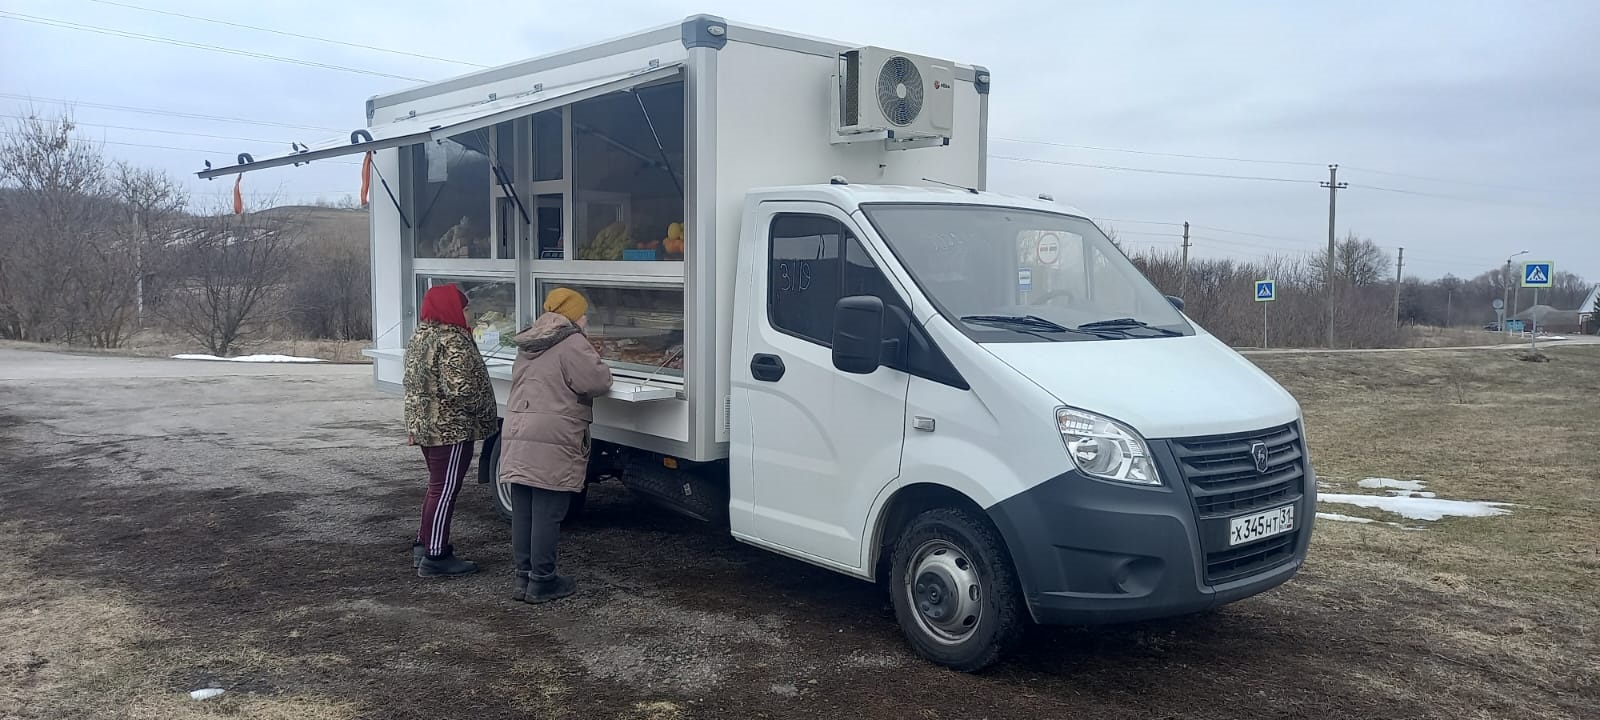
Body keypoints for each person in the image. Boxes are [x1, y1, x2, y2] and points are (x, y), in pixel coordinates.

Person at [499, 288, 613, 604]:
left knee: (525, 509)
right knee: (548, 511)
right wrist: (593, 352)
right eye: (583, 313)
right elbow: (598, 381)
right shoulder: (572, 342)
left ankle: (523, 578)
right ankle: (543, 580)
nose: (586, 318)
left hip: (519, 427)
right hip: (552, 434)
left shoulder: (529, 340)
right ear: (572, 315)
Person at [403, 284, 499, 577]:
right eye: (466, 308)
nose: (470, 313)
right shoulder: (453, 340)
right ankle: (436, 555)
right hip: (451, 429)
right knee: (444, 491)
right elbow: (462, 389)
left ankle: (424, 543)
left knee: (436, 487)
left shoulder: (422, 336)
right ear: (453, 309)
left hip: (426, 426)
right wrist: (486, 412)